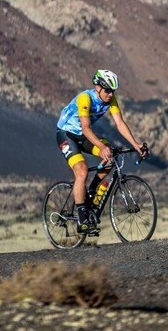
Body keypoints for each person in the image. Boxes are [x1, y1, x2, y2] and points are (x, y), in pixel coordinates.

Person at [56, 69, 148, 234]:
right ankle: (82, 218)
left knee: (111, 156)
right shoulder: (85, 98)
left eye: (113, 91)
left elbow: (119, 123)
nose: (110, 94)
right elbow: (85, 127)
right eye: (107, 90)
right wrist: (102, 146)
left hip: (84, 136)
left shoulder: (111, 100)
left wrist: (135, 144)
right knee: (82, 171)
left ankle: (91, 190)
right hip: (67, 134)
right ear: (98, 87)